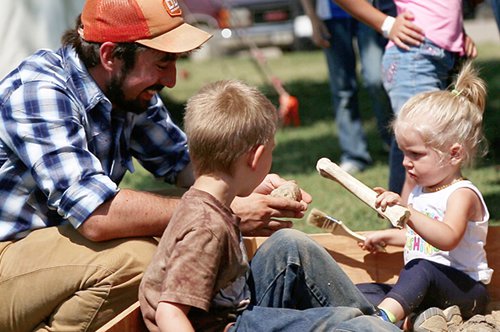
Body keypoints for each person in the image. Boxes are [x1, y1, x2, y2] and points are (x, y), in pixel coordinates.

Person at [0, 0, 313, 330]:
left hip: (54, 250)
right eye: (163, 61)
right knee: (137, 261)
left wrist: (245, 181)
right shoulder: (40, 90)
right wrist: (226, 211)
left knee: (178, 239)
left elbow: (188, 164)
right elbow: (96, 215)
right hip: (9, 252)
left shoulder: (126, 87)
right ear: (110, 56)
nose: (173, 79)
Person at [138, 79, 400, 332]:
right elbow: (168, 312)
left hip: (233, 311)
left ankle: (375, 322)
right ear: (257, 157)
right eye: (272, 150)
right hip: (226, 326)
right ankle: (371, 325)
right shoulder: (207, 227)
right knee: (338, 321)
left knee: (289, 244)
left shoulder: (207, 204)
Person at [356, 61, 493, 330]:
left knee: (420, 268)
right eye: (403, 152)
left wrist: (408, 212)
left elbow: (447, 238)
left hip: (467, 292)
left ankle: (381, 322)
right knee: (365, 290)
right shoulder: (421, 190)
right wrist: (387, 236)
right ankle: (423, 318)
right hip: (429, 287)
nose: (406, 162)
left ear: (454, 154)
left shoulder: (462, 194)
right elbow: (420, 239)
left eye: (416, 154)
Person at [332, 0, 477, 201]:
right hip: (415, 56)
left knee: (430, 142)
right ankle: (405, 224)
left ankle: (427, 220)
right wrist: (386, 24)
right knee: (419, 145)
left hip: (441, 54)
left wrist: (457, 32)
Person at [299, 0, 395, 174]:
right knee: (342, 88)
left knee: (377, 79)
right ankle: (354, 155)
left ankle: (392, 141)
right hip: (332, 15)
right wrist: (313, 18)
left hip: (369, 9)